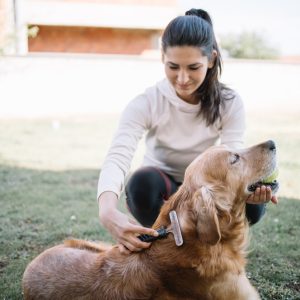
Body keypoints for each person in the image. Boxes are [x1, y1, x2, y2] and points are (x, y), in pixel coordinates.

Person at [97, 8, 278, 254]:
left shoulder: (229, 102)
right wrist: (107, 210)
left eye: (193, 67)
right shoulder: (148, 101)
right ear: (162, 57)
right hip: (165, 189)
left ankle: (216, 250)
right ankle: (166, 244)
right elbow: (119, 155)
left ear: (211, 59)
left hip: (210, 187)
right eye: (173, 66)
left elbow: (234, 155)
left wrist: (254, 189)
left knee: (252, 206)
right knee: (141, 184)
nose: (182, 78)